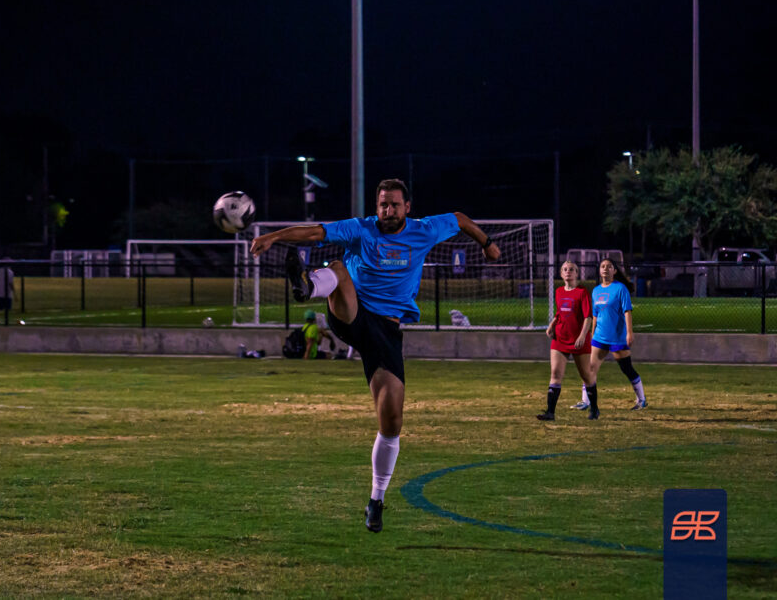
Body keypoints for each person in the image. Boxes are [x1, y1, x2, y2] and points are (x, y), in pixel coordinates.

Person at [250, 178, 500, 533]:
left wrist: (487, 244)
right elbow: (316, 231)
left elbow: (459, 219)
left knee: (392, 421)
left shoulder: (424, 231)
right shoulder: (361, 229)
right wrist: (274, 237)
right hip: (352, 315)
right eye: (383, 204)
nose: (388, 210)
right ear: (376, 206)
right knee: (339, 267)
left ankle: (376, 500)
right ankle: (307, 286)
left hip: (385, 333)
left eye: (395, 204)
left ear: (407, 207)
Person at [539, 261, 598, 421]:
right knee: (555, 373)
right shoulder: (559, 291)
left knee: (586, 376)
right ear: (561, 273)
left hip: (578, 340)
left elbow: (588, 317)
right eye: (565, 269)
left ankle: (594, 409)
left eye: (571, 269)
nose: (568, 271)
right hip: (560, 338)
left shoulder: (582, 292)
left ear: (577, 273)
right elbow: (559, 312)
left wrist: (582, 336)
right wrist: (551, 325)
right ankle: (550, 412)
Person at [588, 258, 648, 410]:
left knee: (626, 369)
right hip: (600, 337)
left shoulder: (621, 289)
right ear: (599, 271)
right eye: (603, 266)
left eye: (609, 266)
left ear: (614, 271)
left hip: (617, 337)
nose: (605, 268)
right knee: (590, 369)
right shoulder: (596, 291)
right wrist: (592, 333)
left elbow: (627, 311)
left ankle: (641, 399)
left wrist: (629, 332)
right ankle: (585, 401)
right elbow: (595, 315)